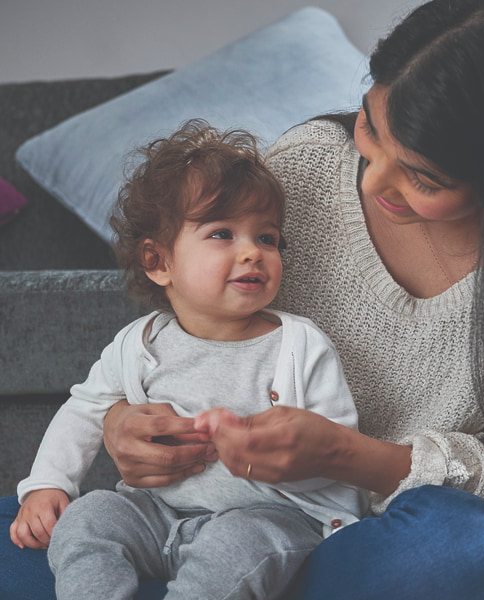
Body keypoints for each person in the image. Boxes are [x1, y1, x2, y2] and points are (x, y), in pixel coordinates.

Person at [2, 0, 484, 598]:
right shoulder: (310, 166)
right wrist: (117, 424)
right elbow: (178, 333)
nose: (370, 179)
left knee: (466, 550)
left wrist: (348, 456)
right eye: (370, 125)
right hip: (166, 527)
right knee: (34, 536)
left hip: (342, 547)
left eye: (422, 177)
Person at [8, 119, 368, 600]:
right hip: (156, 515)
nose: (252, 253)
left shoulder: (300, 345)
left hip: (271, 518)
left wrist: (270, 453)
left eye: (267, 238)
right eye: (223, 234)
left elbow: (337, 450)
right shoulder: (139, 343)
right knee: (90, 517)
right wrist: (47, 485)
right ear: (159, 262)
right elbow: (85, 408)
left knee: (237, 545)